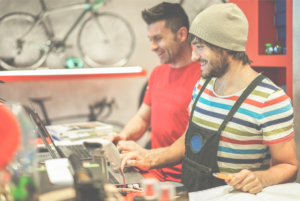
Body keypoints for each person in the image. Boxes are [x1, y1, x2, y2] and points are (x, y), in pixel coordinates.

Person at [121, 3, 298, 193]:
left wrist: (262, 177)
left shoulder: (271, 100)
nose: (194, 57)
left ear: (226, 46)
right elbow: (187, 142)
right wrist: (150, 157)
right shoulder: (202, 86)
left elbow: (289, 166)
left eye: (200, 47)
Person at [104, 2, 201, 182]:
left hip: (183, 180)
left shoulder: (203, 77)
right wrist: (123, 135)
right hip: (152, 173)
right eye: (150, 39)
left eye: (158, 38)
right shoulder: (158, 73)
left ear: (181, 34)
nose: (153, 46)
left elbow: (190, 140)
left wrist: (147, 155)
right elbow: (143, 118)